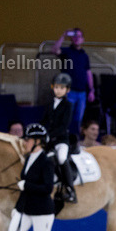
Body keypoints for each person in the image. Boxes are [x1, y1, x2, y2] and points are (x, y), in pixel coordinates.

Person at [6, 124, 59, 231]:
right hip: (25, 209)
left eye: (28, 140)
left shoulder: (46, 161)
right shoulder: (29, 158)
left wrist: (26, 185)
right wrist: (17, 207)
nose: (25, 142)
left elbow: (47, 188)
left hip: (42, 210)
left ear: (38, 141)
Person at [51, 28, 94, 134]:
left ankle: (75, 139)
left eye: (79, 36)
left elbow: (88, 73)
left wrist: (91, 90)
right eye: (74, 36)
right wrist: (63, 36)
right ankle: (63, 136)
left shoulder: (84, 55)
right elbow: (54, 50)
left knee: (78, 119)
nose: (77, 39)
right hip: (69, 91)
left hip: (82, 92)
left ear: (83, 39)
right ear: (71, 39)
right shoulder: (67, 52)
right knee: (67, 116)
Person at [41, 73, 76, 203]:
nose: (58, 90)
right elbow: (44, 121)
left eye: (62, 88)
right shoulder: (49, 104)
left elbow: (64, 125)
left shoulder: (68, 105)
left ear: (67, 90)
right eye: (56, 87)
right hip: (48, 141)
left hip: (61, 140)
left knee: (61, 158)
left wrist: (50, 135)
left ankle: (70, 189)